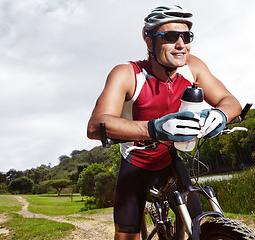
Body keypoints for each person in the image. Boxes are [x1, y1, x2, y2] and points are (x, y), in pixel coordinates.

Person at [87, 5, 242, 240]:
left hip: (170, 157)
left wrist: (220, 115)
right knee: (127, 233)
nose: (181, 44)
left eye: (186, 36)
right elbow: (96, 125)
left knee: (196, 225)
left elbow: (229, 100)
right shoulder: (128, 74)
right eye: (170, 37)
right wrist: (154, 128)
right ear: (149, 42)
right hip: (136, 162)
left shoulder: (193, 67)